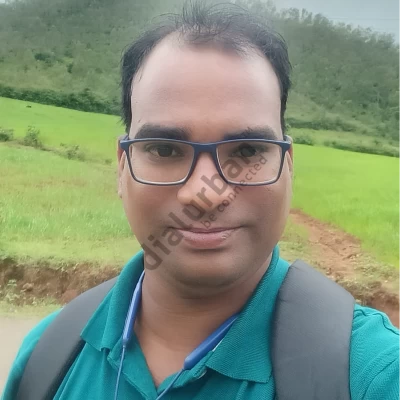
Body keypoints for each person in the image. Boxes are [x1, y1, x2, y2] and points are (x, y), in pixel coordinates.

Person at [2, 2, 400, 399]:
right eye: (164, 149)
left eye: (247, 150)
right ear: (122, 168)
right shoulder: (48, 358)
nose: (204, 194)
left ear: (288, 165)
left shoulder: (374, 374)